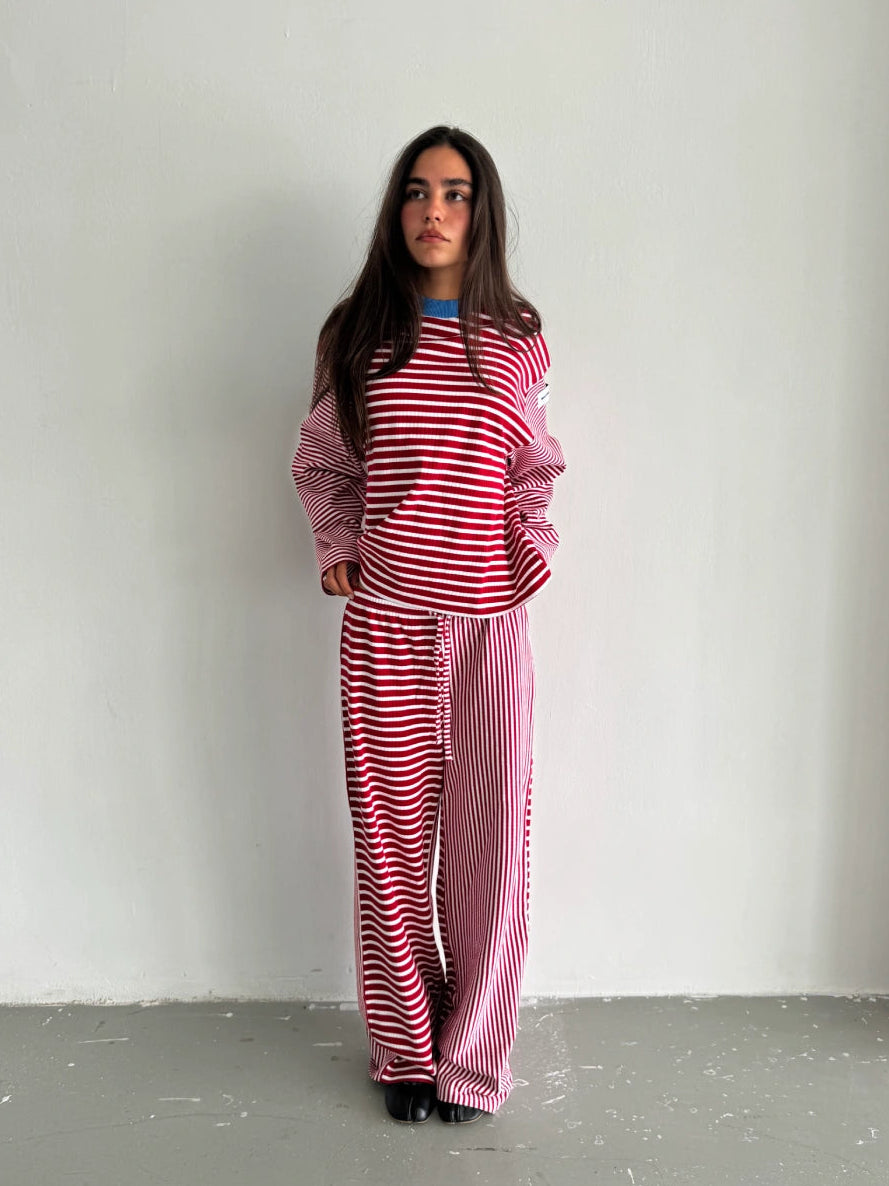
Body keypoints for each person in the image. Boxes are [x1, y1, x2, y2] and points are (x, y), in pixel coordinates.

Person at [291, 125, 566, 1126]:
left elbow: (532, 465)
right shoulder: (356, 333)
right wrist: (336, 540)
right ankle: (406, 1053)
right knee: (392, 846)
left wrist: (529, 545)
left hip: (489, 630)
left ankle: (473, 1061)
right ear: (395, 209)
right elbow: (323, 461)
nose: (433, 211)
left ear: (480, 212)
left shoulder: (517, 334)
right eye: (415, 191)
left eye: (454, 193)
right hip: (385, 628)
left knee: (491, 855)